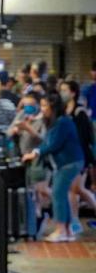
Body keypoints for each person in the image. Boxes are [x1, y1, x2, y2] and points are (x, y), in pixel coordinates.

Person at [23, 91, 86, 242]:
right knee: (61, 195)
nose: (42, 108)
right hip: (67, 163)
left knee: (58, 194)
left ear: (53, 106)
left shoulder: (62, 122)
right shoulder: (56, 122)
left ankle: (61, 230)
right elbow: (48, 141)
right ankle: (68, 231)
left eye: (45, 105)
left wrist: (35, 153)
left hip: (69, 163)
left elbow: (53, 144)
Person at [61, 80, 96, 234]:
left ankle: (75, 223)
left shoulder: (79, 112)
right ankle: (75, 223)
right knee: (75, 189)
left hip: (80, 156)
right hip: (69, 156)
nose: (62, 93)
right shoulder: (63, 111)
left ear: (73, 92)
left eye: (65, 90)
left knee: (76, 189)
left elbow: (84, 137)